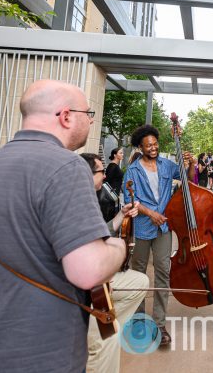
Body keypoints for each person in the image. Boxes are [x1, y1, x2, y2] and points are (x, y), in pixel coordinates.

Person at [0, 80, 127, 373]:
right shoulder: (67, 166)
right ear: (66, 116)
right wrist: (117, 247)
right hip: (39, 355)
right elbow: (88, 270)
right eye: (87, 113)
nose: (91, 120)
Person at [122, 124, 195, 348]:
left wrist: (190, 163)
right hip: (143, 228)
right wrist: (150, 213)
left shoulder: (166, 165)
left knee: (164, 272)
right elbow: (129, 199)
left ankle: (160, 324)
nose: (153, 148)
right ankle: (139, 320)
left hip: (163, 228)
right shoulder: (132, 171)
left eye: (155, 144)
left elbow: (187, 180)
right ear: (141, 147)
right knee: (139, 275)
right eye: (148, 145)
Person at [79, 153, 148, 373]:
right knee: (104, 340)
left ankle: (110, 321)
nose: (105, 177)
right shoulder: (75, 203)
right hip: (81, 287)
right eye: (101, 172)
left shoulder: (89, 198)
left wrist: (122, 214)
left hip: (94, 278)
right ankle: (100, 332)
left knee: (140, 282)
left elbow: (102, 233)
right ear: (87, 175)